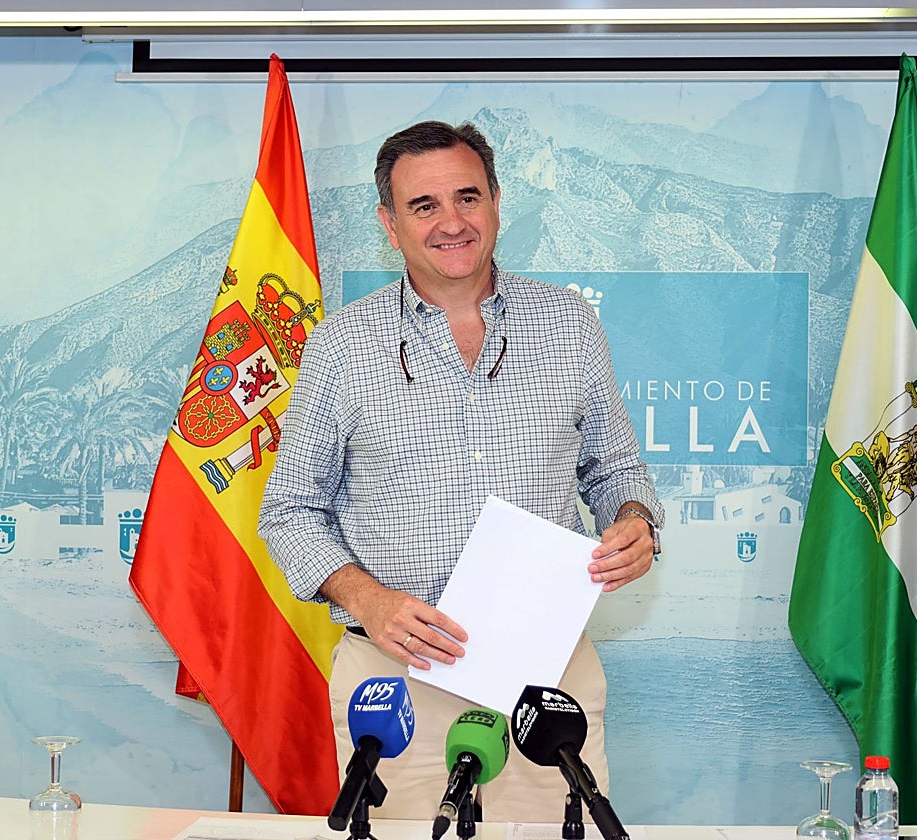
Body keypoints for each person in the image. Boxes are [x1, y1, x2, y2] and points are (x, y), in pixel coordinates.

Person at [258, 120, 662, 822]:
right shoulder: (342, 346)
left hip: (549, 678)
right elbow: (289, 510)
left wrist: (633, 519)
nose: (452, 222)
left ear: (498, 202)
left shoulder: (569, 325)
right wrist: (367, 598)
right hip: (396, 683)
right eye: (424, 206)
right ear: (389, 223)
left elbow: (616, 467)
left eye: (468, 197)